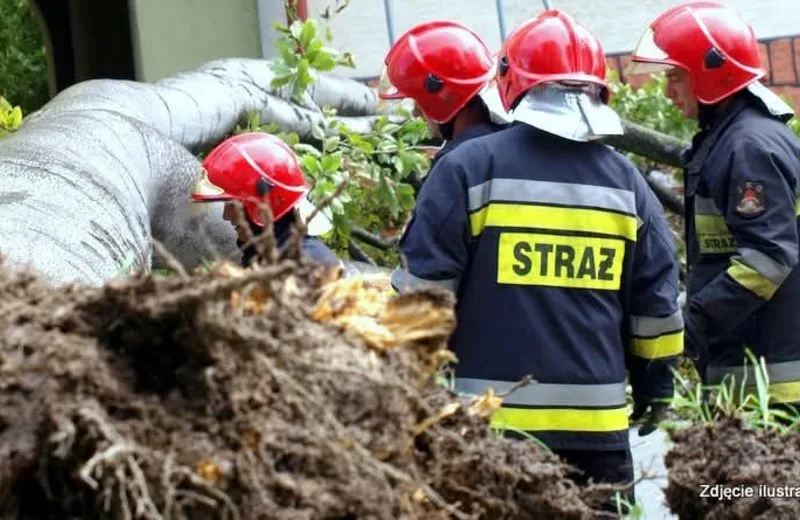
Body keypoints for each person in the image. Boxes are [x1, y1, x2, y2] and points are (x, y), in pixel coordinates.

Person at [391, 9, 684, 510]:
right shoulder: (628, 183)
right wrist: (656, 391)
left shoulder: (466, 168)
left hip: (489, 435)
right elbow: (656, 312)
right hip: (601, 439)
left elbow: (420, 303)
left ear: (511, 82)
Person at [626, 1, 800, 403]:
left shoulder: (747, 147)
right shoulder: (735, 139)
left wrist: (690, 325)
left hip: (771, 384)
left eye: (675, 77)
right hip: (751, 368)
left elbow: (767, 260)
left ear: (710, 72)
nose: (668, 92)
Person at [191, 131, 340, 268]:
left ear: (265, 202)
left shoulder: (303, 266)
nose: (226, 216)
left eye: (232, 204)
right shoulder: (275, 258)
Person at [378, 20, 509, 173]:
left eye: (418, 101)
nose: (415, 112)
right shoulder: (520, 144)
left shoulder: (453, 169)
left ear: (443, 97)